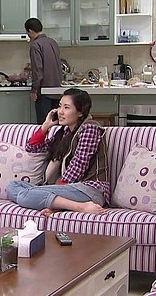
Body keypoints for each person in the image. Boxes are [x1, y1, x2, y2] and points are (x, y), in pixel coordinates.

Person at [6, 88, 109, 216]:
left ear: (80, 112)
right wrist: (46, 125)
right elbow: (32, 148)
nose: (60, 112)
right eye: (59, 106)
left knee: (26, 195)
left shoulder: (90, 128)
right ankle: (59, 204)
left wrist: (53, 189)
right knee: (13, 186)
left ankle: (81, 207)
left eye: (66, 108)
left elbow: (78, 166)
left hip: (90, 190)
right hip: (70, 189)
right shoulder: (64, 133)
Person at [25, 18, 63, 124]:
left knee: (44, 125)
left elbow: (38, 70)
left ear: (30, 31)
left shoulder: (36, 45)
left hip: (44, 91)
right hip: (57, 90)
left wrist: (34, 90)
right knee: (57, 123)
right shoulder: (53, 42)